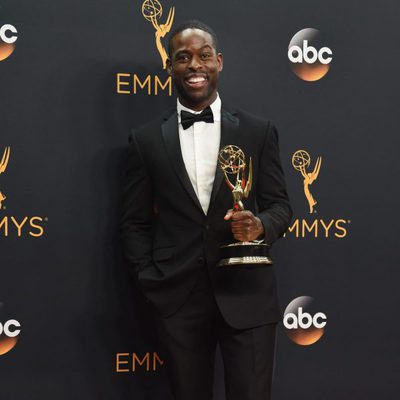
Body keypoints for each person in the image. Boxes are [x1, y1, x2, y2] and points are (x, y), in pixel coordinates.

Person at [120, 20, 292, 400]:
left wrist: (259, 226)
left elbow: (281, 206)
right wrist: (150, 280)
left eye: (204, 56)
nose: (195, 65)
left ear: (220, 62)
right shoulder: (145, 139)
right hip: (178, 296)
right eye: (183, 57)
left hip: (248, 293)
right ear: (170, 66)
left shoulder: (257, 131)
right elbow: (134, 222)